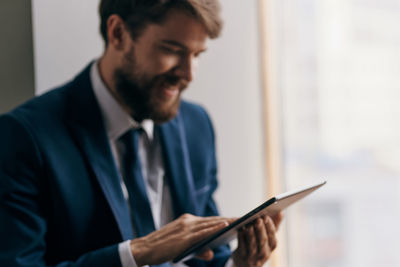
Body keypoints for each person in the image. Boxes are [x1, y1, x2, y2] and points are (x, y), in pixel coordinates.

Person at [0, 0, 282, 266]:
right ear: (118, 33)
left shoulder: (197, 125)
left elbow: (207, 255)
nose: (189, 73)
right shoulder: (25, 137)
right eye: (172, 50)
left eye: (196, 55)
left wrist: (238, 263)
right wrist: (137, 253)